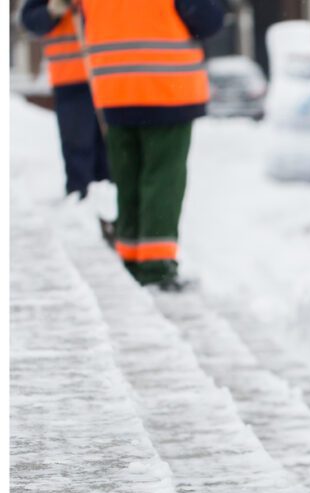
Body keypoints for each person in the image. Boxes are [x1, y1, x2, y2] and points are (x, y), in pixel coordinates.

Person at [79, 0, 224, 290]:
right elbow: (208, 20)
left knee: (128, 178)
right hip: (167, 86)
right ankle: (156, 269)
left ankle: (131, 258)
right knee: (163, 179)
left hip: (114, 87)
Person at [20, 0, 109, 199]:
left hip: (109, 76)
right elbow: (31, 21)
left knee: (111, 150)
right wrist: (52, 10)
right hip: (70, 80)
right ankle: (80, 205)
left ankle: (111, 208)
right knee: (79, 148)